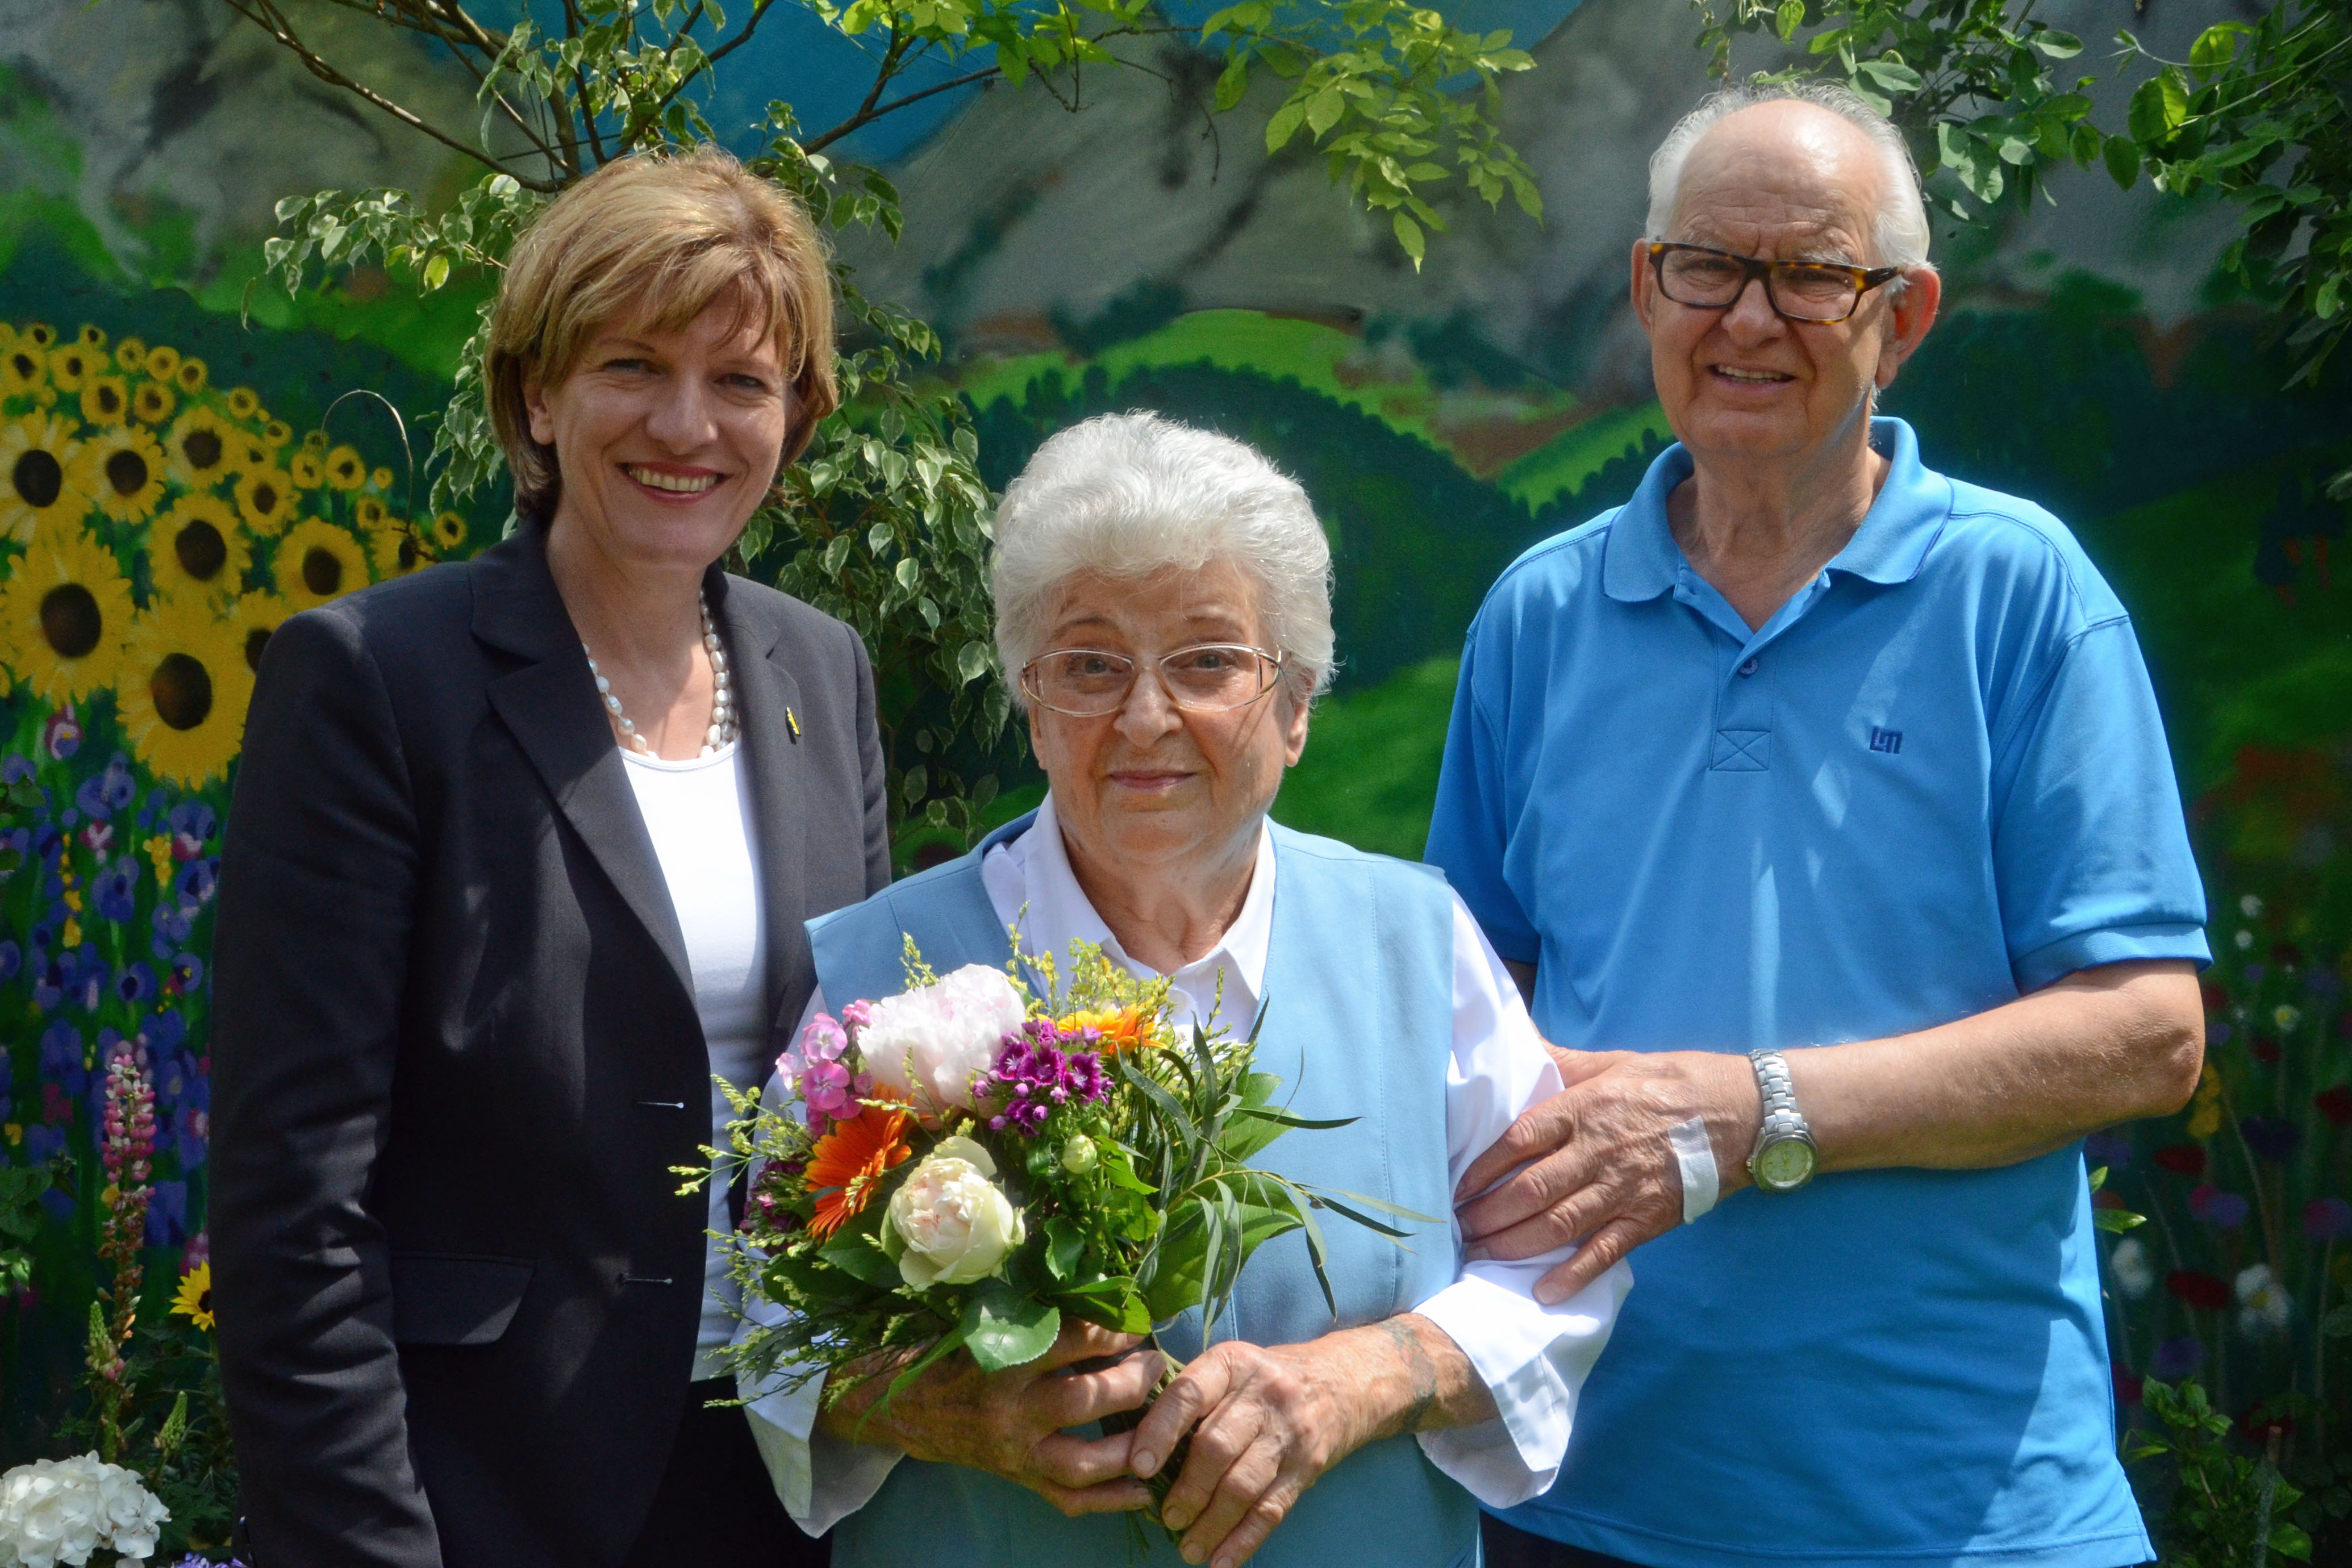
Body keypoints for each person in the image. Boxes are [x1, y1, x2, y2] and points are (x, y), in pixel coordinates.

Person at [1424, 82, 2209, 1568]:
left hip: (1958, 1511)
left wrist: (1752, 1113)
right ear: (1646, 291)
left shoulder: (2015, 593)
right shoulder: (1538, 614)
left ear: (1899, 318)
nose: (1746, 319)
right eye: (1705, 268)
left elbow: (2146, 1031)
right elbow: (1462, 1001)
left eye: (1808, 276)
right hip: (1586, 1493)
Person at [734, 411, 1633, 1568]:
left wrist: (1365, 1379)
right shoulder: (883, 976)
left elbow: (1556, 1272)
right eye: (1092, 665)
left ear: (1298, 706)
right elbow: (769, 1329)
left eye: (1208, 661)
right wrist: (938, 1402)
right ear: (1033, 701)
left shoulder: (1421, 946)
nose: (1147, 716)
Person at [210, 146, 888, 1568]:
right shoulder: (379, 679)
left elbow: (848, 1081)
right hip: (481, 1498)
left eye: (743, 382)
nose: (686, 425)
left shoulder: (821, 673)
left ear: (797, 415)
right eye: (632, 366)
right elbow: (295, 1206)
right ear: (538, 394)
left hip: (775, 1487)